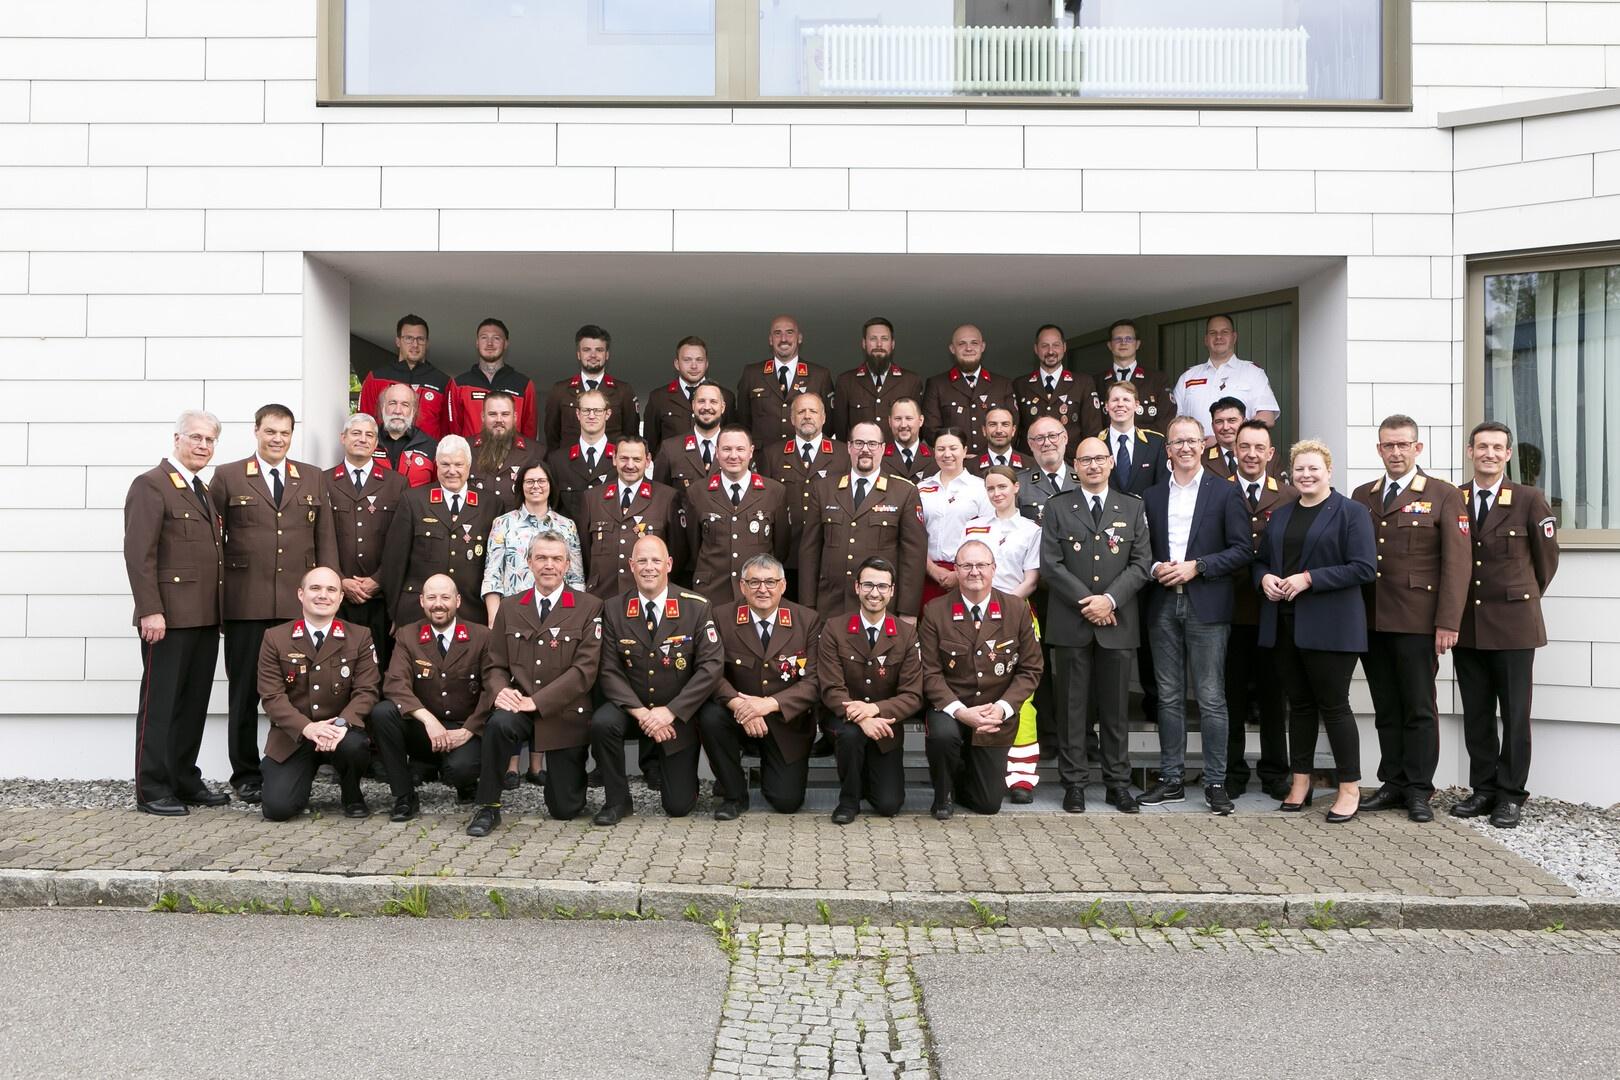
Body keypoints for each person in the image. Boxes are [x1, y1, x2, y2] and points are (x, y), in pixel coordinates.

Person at [212, 403, 338, 806]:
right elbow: (213, 543)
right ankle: (245, 774)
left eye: (284, 432)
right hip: (246, 604)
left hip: (296, 608)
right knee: (244, 693)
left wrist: (328, 597)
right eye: (270, 431)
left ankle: (296, 766)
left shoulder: (312, 477)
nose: (277, 439)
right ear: (256, 431)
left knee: (300, 691)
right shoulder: (228, 476)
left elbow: (326, 541)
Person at [1351, 414, 1469, 823]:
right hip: (1371, 620)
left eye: (1403, 444)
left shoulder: (1443, 494)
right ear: (1379, 449)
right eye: (1389, 445)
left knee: (1418, 707)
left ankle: (1419, 789)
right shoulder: (1363, 495)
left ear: (1418, 448)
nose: (1396, 452)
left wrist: (1448, 621)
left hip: (1417, 621)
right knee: (1386, 706)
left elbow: (1457, 564)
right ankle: (1393, 782)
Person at [1255, 440, 1376, 823]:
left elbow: (1364, 567)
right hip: (1285, 624)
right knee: (1300, 707)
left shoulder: (1351, 513)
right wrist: (1265, 578)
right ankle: (1300, 783)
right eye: (1299, 469)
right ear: (1290, 473)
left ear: (1328, 471)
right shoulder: (1281, 515)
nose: (1306, 475)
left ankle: (1349, 788)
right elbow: (1260, 562)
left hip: (1331, 626)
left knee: (1334, 707)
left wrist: (1309, 578)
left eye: (1313, 469)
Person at [1138, 416, 1253, 815]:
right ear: (1167, 449)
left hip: (1207, 603)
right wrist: (1156, 568)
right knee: (1168, 696)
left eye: (1191, 441)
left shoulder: (1226, 491)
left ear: (1203, 445)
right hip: (1162, 603)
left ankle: (1215, 782)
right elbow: (1142, 549)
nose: (1185, 448)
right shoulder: (1152, 496)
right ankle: (1171, 780)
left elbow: (1242, 550)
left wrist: (1198, 566)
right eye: (1177, 442)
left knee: (1210, 697)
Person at [1451, 420, 1560, 830]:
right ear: (1470, 451)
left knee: (1514, 715)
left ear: (1508, 454)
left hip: (1514, 626)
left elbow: (1546, 561)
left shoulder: (1529, 499)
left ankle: (1511, 795)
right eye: (1482, 447)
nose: (1490, 454)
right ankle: (1483, 789)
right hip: (1468, 625)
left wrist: (1521, 597)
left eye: (1498, 448)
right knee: (1477, 714)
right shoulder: (1455, 497)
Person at [1040, 437, 1152, 813]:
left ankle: (1117, 783)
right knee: (1072, 708)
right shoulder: (1058, 506)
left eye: (1100, 459)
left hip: (1117, 621)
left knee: (1116, 710)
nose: (1093, 466)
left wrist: (1110, 600)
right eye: (1086, 460)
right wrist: (1090, 603)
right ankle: (1074, 783)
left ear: (1110, 463)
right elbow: (1051, 564)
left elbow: (1141, 563)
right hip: (1071, 621)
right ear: (1075, 466)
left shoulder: (1132, 506)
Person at [467, 532, 606, 835]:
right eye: (541, 558)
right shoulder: (511, 606)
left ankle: (566, 789)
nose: (548, 565)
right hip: (520, 705)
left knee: (565, 809)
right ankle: (488, 806)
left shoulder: (589, 607)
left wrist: (538, 701)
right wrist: (500, 691)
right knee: (499, 724)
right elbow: (494, 663)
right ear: (529, 562)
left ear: (567, 564)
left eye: (556, 559)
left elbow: (584, 671)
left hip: (565, 713)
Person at [123, 409, 227, 815]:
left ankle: (183, 778)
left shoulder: (202, 489)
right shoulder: (151, 485)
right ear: (177, 439)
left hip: (204, 617)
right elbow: (139, 555)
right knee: (160, 706)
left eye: (210, 440)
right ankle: (152, 788)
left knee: (193, 705)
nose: (203, 445)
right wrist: (150, 610)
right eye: (196, 437)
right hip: (167, 619)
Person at [589, 536, 724, 825]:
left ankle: (681, 778)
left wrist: (671, 711)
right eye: (642, 561)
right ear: (631, 566)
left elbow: (710, 668)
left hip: (676, 715)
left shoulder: (696, 607)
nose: (648, 567)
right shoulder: (613, 608)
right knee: (602, 722)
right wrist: (642, 713)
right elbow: (608, 669)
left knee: (678, 806)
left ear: (669, 564)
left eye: (655, 561)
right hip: (632, 709)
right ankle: (617, 801)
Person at [919, 540, 1043, 819]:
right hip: (950, 707)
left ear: (994, 568)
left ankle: (962, 776)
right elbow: (929, 672)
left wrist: (1002, 708)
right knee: (942, 735)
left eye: (981, 565)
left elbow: (1031, 669)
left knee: (988, 805)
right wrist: (960, 712)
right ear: (956, 570)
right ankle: (943, 794)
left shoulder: (1016, 609)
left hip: (993, 712)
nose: (974, 571)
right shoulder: (935, 610)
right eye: (966, 565)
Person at [697, 554, 823, 819]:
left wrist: (767, 705)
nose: (762, 589)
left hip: (784, 723)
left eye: (770, 582)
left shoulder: (806, 620)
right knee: (709, 716)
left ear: (783, 585)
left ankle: (771, 774)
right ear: (742, 586)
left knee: (786, 802)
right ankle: (734, 795)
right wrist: (740, 705)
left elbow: (813, 682)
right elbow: (710, 672)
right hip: (737, 717)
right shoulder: (721, 617)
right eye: (754, 582)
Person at [256, 567, 380, 821]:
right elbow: (271, 696)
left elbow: (367, 690)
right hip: (295, 735)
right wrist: (308, 728)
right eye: (315, 588)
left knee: (355, 746)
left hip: (341, 733)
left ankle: (351, 793)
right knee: (278, 809)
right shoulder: (275, 638)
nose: (323, 595)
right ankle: (297, 783)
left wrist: (341, 725)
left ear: (340, 597)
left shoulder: (360, 636)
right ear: (301, 594)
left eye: (331, 589)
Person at [369, 573, 492, 821]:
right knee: (382, 713)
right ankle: (404, 796)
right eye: (432, 597)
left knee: (462, 770)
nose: (438, 604)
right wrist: (428, 719)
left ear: (458, 601)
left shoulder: (481, 636)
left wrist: (469, 730)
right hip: (424, 730)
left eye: (445, 597)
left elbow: (492, 689)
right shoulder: (407, 635)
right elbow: (395, 683)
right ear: (422, 601)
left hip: (462, 729)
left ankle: (466, 785)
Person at [1222, 420, 1298, 800]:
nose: (1251, 454)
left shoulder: (1289, 495)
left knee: (1273, 695)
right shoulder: (1217, 491)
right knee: (1230, 697)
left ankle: (1275, 772)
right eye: (1244, 447)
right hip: (1229, 609)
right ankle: (1231, 772)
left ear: (1271, 454)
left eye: (1259, 448)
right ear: (1234, 450)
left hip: (1274, 610)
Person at [959, 466, 1044, 803]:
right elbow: (966, 571)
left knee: (1023, 697)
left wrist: (1004, 608)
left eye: (1002, 487)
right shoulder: (974, 527)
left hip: (1017, 615)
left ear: (1016, 488)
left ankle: (1022, 777)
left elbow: (1031, 579)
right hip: (974, 616)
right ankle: (985, 771)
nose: (996, 493)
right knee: (980, 688)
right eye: (991, 488)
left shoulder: (1031, 529)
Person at [818, 557, 924, 824]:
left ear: (892, 591)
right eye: (868, 585)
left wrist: (875, 710)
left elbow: (912, 695)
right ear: (857, 587)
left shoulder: (906, 634)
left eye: (882, 586)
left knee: (889, 805)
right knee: (851, 735)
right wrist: (862, 718)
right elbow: (831, 688)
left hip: (885, 725)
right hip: (843, 720)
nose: (874, 593)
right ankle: (848, 801)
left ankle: (866, 779)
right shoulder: (834, 628)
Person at [801, 421, 927, 617]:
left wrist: (907, 612)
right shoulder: (823, 489)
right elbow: (810, 551)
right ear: (849, 447)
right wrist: (808, 606)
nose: (865, 450)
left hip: (881, 608)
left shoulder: (904, 492)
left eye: (872, 444)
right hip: (831, 606)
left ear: (883, 449)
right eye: (859, 443)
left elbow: (913, 557)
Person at [381, 435, 501, 627]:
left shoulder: (491, 504)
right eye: (445, 464)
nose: (452, 471)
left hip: (470, 611)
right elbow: (394, 561)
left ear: (469, 466)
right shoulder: (413, 500)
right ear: (436, 465)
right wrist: (394, 612)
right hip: (418, 611)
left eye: (458, 464)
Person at [327, 413, 407, 673]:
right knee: (336, 669)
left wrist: (379, 580)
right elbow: (319, 538)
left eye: (369, 435)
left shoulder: (396, 483)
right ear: (343, 438)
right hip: (336, 597)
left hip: (380, 598)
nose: (362, 439)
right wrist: (340, 580)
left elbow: (401, 542)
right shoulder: (323, 481)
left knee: (377, 670)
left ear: (376, 444)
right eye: (356, 433)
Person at [682, 425, 791, 607]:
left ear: (751, 452)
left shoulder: (774, 492)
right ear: (717, 452)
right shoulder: (697, 492)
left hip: (757, 592)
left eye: (740, 449)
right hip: (712, 591)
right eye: (726, 449)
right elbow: (693, 545)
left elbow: (781, 547)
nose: (733, 456)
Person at [758, 393, 849, 598]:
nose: (807, 416)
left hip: (828, 555)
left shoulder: (843, 455)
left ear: (824, 418)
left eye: (813, 411)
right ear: (792, 419)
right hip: (786, 556)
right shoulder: (773, 455)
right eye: (801, 412)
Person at [579, 435, 685, 600]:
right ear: (614, 459)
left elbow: (678, 552)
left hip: (647, 597)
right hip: (602, 596)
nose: (630, 465)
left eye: (637, 459)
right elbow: (585, 550)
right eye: (624, 458)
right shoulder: (592, 498)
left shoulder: (666, 497)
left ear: (647, 461)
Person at [483, 460, 585, 623]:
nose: (535, 486)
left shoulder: (567, 526)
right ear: (521, 486)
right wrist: (494, 620)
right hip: (514, 616)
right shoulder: (503, 523)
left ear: (550, 485)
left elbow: (576, 578)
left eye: (541, 481)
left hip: (559, 617)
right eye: (529, 481)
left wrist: (575, 618)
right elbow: (492, 577)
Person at [918, 428, 993, 610]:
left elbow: (989, 536)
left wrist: (959, 573)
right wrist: (932, 569)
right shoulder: (921, 489)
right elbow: (914, 535)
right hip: (926, 572)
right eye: (941, 449)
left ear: (965, 451)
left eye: (953, 448)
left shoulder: (980, 488)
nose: (947, 454)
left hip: (970, 574)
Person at [736, 314, 836, 444]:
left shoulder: (819, 375)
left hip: (802, 454)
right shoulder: (752, 374)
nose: (783, 339)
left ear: (799, 338)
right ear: (770, 340)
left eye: (789, 332)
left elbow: (829, 423)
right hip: (762, 455)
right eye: (777, 333)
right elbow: (742, 421)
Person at [1173, 314, 1281, 431]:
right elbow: (1175, 420)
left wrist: (1229, 435)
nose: (1218, 336)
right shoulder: (1188, 377)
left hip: (1238, 443)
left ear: (1234, 337)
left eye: (1225, 332)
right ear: (1206, 340)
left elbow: (1267, 417)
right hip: (1195, 443)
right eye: (1213, 333)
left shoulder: (1253, 373)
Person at [922, 324, 1017, 457]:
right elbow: (931, 430)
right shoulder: (937, 384)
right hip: (954, 462)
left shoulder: (1002, 385)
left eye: (974, 343)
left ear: (982, 347)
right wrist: (957, 454)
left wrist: (989, 457)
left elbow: (1013, 427)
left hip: (993, 463)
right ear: (952, 349)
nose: (968, 348)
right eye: (962, 344)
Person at [543, 323, 640, 449]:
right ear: (578, 354)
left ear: (607, 355)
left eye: (599, 350)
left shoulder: (623, 391)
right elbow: (552, 435)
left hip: (610, 460)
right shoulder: (560, 390)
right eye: (586, 350)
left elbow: (631, 436)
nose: (593, 355)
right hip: (569, 460)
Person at [360, 314, 453, 440]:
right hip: (384, 451)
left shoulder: (443, 382)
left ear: (427, 343)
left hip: (428, 452)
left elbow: (448, 431)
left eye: (420, 339)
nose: (415, 344)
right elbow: (364, 422)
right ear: (398, 341)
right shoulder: (376, 378)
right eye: (409, 338)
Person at [832, 317, 924, 440]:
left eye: (884, 339)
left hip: (896, 452)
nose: (879, 344)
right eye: (873, 339)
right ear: (864, 343)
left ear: (892, 344)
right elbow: (841, 432)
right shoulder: (846, 381)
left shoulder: (911, 381)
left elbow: (917, 431)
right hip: (860, 452)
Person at [449, 317, 539, 442]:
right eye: (484, 338)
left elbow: (530, 433)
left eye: (496, 338)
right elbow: (454, 433)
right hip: (471, 453)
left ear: (506, 344)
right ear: (477, 343)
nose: (489, 343)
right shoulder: (459, 384)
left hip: (511, 453)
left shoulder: (523, 385)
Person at [1014, 323, 1101, 450]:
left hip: (1070, 459)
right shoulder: (1020, 385)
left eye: (1056, 345)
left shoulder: (1083, 383)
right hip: (1032, 460)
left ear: (1064, 347)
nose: (1050, 351)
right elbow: (1014, 431)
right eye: (1044, 346)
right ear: (1036, 349)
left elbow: (1092, 431)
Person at [643, 335, 739, 450]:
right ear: (677, 364)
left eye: (699, 360)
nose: (694, 366)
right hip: (672, 461)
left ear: (707, 364)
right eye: (687, 360)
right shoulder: (659, 398)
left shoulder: (726, 396)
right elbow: (650, 446)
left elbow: (732, 439)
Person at [544, 388, 618, 526]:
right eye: (586, 410)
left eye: (597, 410)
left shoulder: (622, 458)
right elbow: (551, 508)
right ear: (578, 414)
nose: (591, 416)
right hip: (569, 536)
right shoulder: (557, 461)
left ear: (607, 414)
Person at [470, 389, 542, 515]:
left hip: (518, 525)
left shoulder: (536, 451)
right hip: (476, 524)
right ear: (483, 417)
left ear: (514, 417)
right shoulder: (465, 448)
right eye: (492, 414)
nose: (499, 419)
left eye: (505, 414)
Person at [1093, 319, 1174, 427]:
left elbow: (1166, 420)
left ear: (1137, 344)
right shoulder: (1096, 382)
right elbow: (1093, 423)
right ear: (1110, 345)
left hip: (1148, 438)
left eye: (1129, 338)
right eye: (1118, 339)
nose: (1123, 343)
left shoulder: (1157, 379)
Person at [653, 381, 727, 493]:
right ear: (693, 405)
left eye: (713, 401)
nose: (707, 407)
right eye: (701, 401)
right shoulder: (671, 449)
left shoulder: (738, 448)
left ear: (722, 407)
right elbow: (659, 496)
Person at [1102, 381, 1168, 498]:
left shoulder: (1156, 443)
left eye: (1126, 400)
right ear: (1107, 406)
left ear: (1137, 405)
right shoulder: (1096, 443)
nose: (1120, 404)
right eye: (1115, 400)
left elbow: (1162, 488)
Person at [1015, 415, 1076, 527]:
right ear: (1030, 444)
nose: (1047, 443)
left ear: (1065, 438)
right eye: (1039, 438)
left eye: (1053, 436)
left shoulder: (1083, 480)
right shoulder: (1018, 483)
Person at [374, 382, 438, 487]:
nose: (398, 411)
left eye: (405, 405)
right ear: (383, 407)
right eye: (392, 403)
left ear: (413, 410)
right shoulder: (368, 441)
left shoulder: (431, 447)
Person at [881, 397, 936, 482]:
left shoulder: (936, 458)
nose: (903, 425)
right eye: (898, 419)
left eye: (909, 418)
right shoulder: (879, 458)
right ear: (890, 421)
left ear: (921, 420)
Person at [967, 406, 1025, 474]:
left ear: (1013, 430)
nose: (998, 430)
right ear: (984, 430)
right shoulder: (969, 468)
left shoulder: (1031, 464)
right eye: (993, 425)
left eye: (1005, 424)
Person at [1201, 396, 1246, 479]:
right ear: (1213, 426)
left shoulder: (1264, 458)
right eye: (1219, 422)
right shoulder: (1200, 460)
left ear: (1244, 423)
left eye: (1232, 420)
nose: (1225, 427)